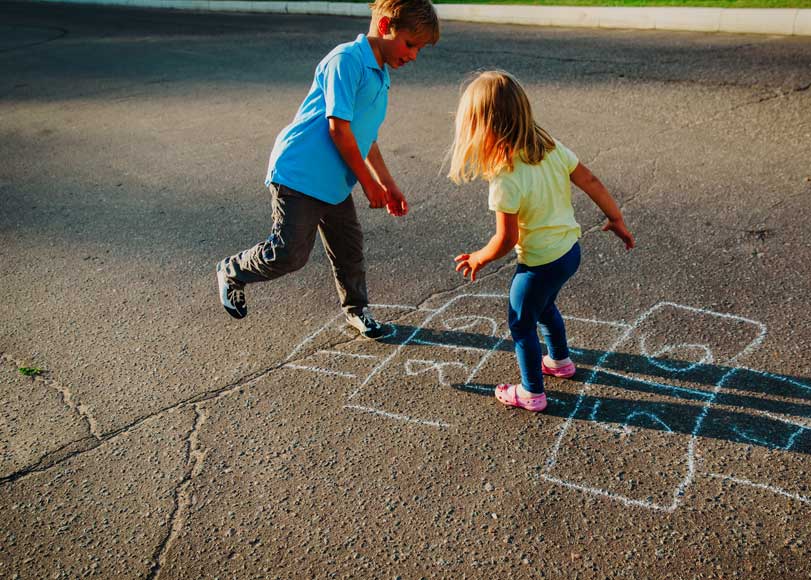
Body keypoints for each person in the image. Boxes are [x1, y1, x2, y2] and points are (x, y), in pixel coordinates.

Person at [216, 0, 439, 339]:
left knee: (348, 248)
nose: (413, 55)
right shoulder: (346, 61)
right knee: (290, 253)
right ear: (384, 28)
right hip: (300, 173)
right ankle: (232, 270)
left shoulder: (381, 74)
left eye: (419, 49)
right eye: (410, 44)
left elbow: (366, 137)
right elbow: (339, 128)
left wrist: (388, 185)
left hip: (333, 181)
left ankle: (357, 310)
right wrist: (367, 183)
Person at [448, 70, 635, 412]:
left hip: (539, 264)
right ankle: (560, 362)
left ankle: (532, 392)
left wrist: (479, 257)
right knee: (544, 307)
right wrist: (616, 217)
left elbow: (506, 239)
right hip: (568, 253)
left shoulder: (506, 178)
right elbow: (590, 180)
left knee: (521, 321)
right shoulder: (550, 147)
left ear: (482, 129)